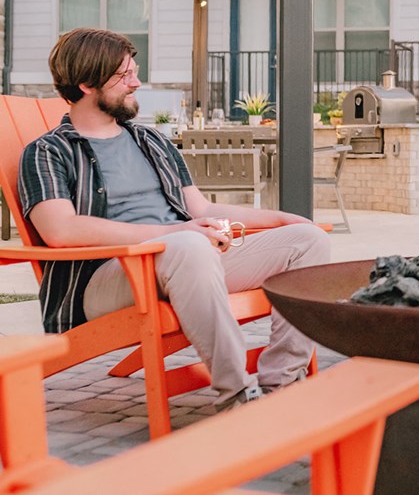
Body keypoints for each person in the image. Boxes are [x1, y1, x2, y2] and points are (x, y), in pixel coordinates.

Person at [19, 28, 331, 411]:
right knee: (188, 244)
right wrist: (173, 233)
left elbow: (200, 210)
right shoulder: (48, 152)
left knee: (308, 239)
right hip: (107, 278)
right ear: (86, 83)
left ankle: (280, 385)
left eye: (134, 71)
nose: (137, 82)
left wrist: (280, 217)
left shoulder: (151, 141)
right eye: (124, 76)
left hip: (185, 257)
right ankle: (238, 395)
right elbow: (60, 231)